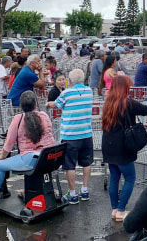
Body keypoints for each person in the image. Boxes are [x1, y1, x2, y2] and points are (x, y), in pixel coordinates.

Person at [0, 91, 55, 203]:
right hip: (49, 158)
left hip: (31, 159)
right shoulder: (44, 115)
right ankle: (30, 191)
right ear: (35, 104)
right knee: (32, 165)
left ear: (21, 106)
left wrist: (2, 156)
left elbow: (9, 143)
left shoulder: (18, 119)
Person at [102, 76, 147, 221]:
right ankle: (121, 210)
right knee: (130, 178)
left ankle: (114, 209)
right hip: (123, 146)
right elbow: (146, 110)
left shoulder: (108, 102)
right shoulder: (127, 103)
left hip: (108, 145)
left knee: (115, 178)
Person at [46, 69, 94, 205]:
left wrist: (48, 104)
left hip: (70, 135)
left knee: (70, 165)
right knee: (86, 162)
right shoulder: (89, 91)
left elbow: (56, 105)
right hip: (86, 133)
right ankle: (84, 190)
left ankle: (72, 194)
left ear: (70, 81)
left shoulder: (66, 93)